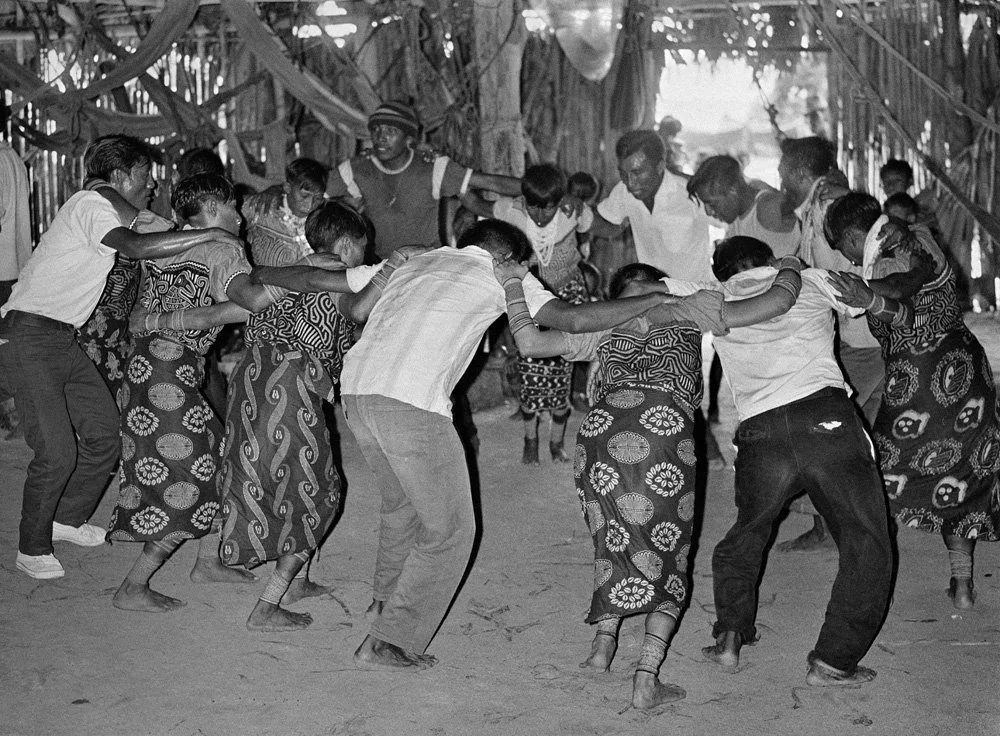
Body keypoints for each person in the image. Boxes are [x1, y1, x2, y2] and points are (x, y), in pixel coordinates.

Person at [340, 218, 686, 672]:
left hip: (357, 390)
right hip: (409, 400)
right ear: (509, 256)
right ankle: (387, 641)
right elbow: (573, 319)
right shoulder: (501, 272)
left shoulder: (420, 259)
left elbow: (354, 309)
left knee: (401, 507)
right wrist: (654, 298)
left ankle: (382, 604)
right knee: (450, 531)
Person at [498, 257, 800, 708]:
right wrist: (792, 266)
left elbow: (528, 342)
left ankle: (602, 648)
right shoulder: (687, 307)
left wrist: (511, 285)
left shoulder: (602, 326)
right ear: (660, 284)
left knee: (615, 536)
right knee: (667, 551)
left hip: (598, 431)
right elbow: (777, 303)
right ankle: (646, 676)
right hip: (662, 428)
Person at [0, 135, 243, 580]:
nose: (150, 185)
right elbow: (137, 247)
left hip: (60, 339)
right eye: (144, 176)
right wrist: (210, 232)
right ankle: (30, 547)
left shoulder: (104, 205)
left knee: (105, 434)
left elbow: (145, 225)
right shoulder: (89, 204)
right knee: (55, 452)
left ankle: (66, 520)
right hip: (28, 336)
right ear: (119, 176)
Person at [663, 236, 894, 687]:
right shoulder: (810, 278)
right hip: (825, 420)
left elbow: (656, 285)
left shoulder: (710, 298)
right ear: (770, 260)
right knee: (867, 539)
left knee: (746, 534)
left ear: (720, 272)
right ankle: (833, 662)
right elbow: (861, 304)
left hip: (760, 434)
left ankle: (730, 638)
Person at [215, 201, 405, 631]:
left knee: (276, 476)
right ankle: (268, 603)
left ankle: (297, 580)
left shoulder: (290, 269)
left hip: (252, 379)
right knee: (319, 492)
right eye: (362, 246)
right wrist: (391, 269)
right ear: (342, 244)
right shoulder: (336, 282)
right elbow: (357, 314)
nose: (366, 253)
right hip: (289, 388)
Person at [106, 173, 279, 611]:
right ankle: (133, 586)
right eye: (232, 207)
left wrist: (162, 320)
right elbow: (252, 301)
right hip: (168, 376)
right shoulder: (221, 250)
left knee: (220, 457)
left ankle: (208, 562)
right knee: (189, 481)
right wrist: (293, 277)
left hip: (148, 367)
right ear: (211, 209)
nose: (239, 216)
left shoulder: (163, 236)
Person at [824, 193, 1000, 610]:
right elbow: (924, 299)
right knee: (961, 475)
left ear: (853, 235)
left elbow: (907, 307)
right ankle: (961, 586)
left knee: (877, 479)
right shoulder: (921, 234)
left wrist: (869, 296)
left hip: (922, 384)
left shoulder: (887, 259)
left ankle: (866, 585)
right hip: (968, 372)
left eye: (843, 249)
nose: (848, 259)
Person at [776, 135, 882, 552]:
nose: (780, 182)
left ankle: (842, 530)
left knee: (828, 428)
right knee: (844, 429)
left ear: (801, 173)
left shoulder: (829, 207)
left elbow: (847, 273)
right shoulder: (818, 206)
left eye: (784, 173)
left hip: (864, 337)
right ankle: (836, 527)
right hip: (856, 335)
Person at [463, 164, 593, 464]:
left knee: (563, 368)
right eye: (532, 206)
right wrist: (516, 190)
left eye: (547, 208)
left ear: (560, 200)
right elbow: (470, 200)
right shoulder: (511, 210)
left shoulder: (573, 211)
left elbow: (595, 224)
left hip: (568, 296)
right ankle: (530, 440)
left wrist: (571, 198)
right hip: (529, 296)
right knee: (532, 368)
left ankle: (556, 442)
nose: (538, 215)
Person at [325, 101, 521, 259]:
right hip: (382, 266)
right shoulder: (356, 169)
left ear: (409, 138)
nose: (380, 138)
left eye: (391, 131)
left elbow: (488, 183)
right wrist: (345, 208)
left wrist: (537, 191)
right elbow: (313, 195)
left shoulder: (432, 166)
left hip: (428, 262)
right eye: (376, 130)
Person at [686, 154, 800, 258]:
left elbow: (801, 202)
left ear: (732, 189)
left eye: (712, 204)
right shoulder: (735, 221)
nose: (708, 212)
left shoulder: (767, 206)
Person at [0, 137, 32, 435]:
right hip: (13, 266)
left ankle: (14, 415)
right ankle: (14, 414)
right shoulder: (12, 158)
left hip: (1, 268)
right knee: (7, 342)